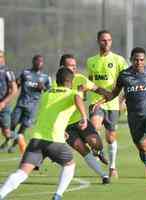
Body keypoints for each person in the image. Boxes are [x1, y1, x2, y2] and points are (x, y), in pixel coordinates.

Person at [0, 67, 87, 200]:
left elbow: (50, 114)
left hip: (37, 140)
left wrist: (62, 130)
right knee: (70, 164)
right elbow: (77, 98)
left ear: (57, 80)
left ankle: (1, 194)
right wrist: (84, 117)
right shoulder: (72, 93)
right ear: (71, 80)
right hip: (54, 141)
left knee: (22, 173)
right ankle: (58, 195)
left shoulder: (47, 94)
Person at [95, 47, 146, 182]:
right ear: (131, 60)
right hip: (134, 118)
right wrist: (100, 102)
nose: (139, 62)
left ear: (144, 60)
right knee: (143, 148)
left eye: (141, 60)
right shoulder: (124, 75)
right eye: (136, 60)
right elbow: (114, 94)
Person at [59, 54, 110, 184]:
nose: (74, 68)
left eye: (75, 65)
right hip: (67, 126)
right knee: (81, 148)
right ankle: (104, 175)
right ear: (62, 67)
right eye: (71, 65)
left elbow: (97, 89)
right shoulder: (56, 85)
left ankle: (99, 151)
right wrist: (60, 128)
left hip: (82, 121)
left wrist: (109, 95)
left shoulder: (81, 79)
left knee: (95, 142)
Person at [86, 30, 128, 178]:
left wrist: (123, 99)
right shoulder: (91, 61)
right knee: (94, 128)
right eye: (104, 40)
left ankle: (112, 167)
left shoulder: (119, 60)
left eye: (109, 40)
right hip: (96, 102)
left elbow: (126, 82)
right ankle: (98, 151)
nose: (107, 43)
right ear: (98, 41)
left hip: (113, 103)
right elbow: (89, 82)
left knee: (110, 138)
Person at [7, 55, 51, 154]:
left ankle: (13, 146)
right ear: (33, 62)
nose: (39, 63)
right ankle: (7, 141)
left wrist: (43, 87)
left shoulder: (45, 77)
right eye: (37, 61)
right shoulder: (25, 73)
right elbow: (16, 86)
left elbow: (49, 91)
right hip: (21, 104)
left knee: (23, 127)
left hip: (32, 107)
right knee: (12, 124)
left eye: (41, 61)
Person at [0, 50, 18, 151]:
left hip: (4, 106)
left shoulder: (8, 72)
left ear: (3, 58)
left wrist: (4, 102)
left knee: (6, 132)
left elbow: (14, 89)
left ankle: (18, 137)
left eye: (0, 57)